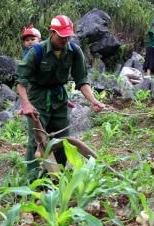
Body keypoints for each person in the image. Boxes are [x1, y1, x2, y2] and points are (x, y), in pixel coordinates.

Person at [16, 15, 105, 180]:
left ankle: (60, 178)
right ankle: (31, 181)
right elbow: (21, 82)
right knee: (36, 141)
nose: (65, 40)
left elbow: (81, 81)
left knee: (62, 140)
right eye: (62, 36)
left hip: (59, 99)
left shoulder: (74, 51)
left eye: (68, 36)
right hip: (38, 99)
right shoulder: (37, 51)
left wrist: (93, 100)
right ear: (51, 32)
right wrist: (26, 104)